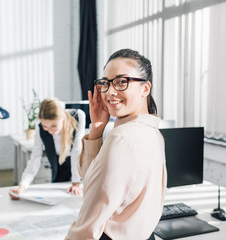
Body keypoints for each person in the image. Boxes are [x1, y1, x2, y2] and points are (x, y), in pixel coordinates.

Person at [66, 49, 167, 240]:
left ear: (145, 89)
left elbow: (87, 225)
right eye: (106, 83)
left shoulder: (122, 138)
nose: (110, 92)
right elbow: (91, 179)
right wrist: (96, 128)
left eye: (121, 82)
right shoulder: (153, 132)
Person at [9, 98, 85, 197]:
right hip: (59, 167)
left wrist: (76, 182)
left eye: (53, 126)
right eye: (45, 126)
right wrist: (22, 186)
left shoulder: (78, 116)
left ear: (62, 117)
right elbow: (35, 159)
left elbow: (77, 151)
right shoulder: (40, 129)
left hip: (80, 166)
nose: (50, 131)